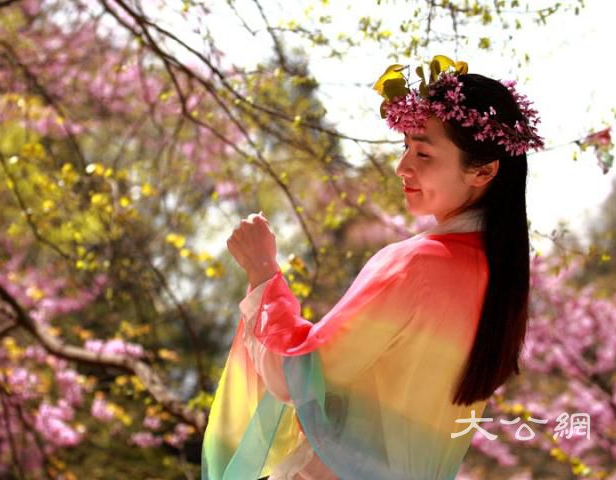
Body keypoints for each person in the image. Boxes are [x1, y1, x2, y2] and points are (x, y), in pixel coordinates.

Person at [201, 56, 544, 480]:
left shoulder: (417, 264)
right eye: (404, 148)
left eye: (423, 152)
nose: (403, 167)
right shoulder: (499, 283)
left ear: (485, 170)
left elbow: (299, 376)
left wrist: (263, 276)